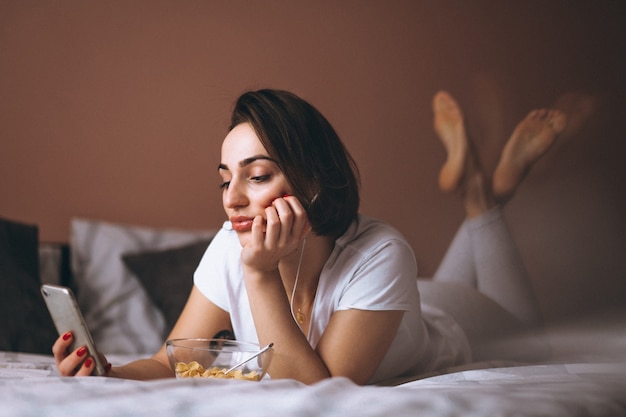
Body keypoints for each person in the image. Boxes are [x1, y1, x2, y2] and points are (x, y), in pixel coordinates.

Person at [53, 89, 566, 384]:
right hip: (391, 305)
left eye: (256, 176)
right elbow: (174, 360)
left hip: (455, 320)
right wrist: (105, 373)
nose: (231, 198)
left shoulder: (383, 251)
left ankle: (481, 200)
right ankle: (481, 192)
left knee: (535, 335)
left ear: (313, 181)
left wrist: (259, 274)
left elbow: (322, 394)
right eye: (224, 179)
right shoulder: (230, 243)